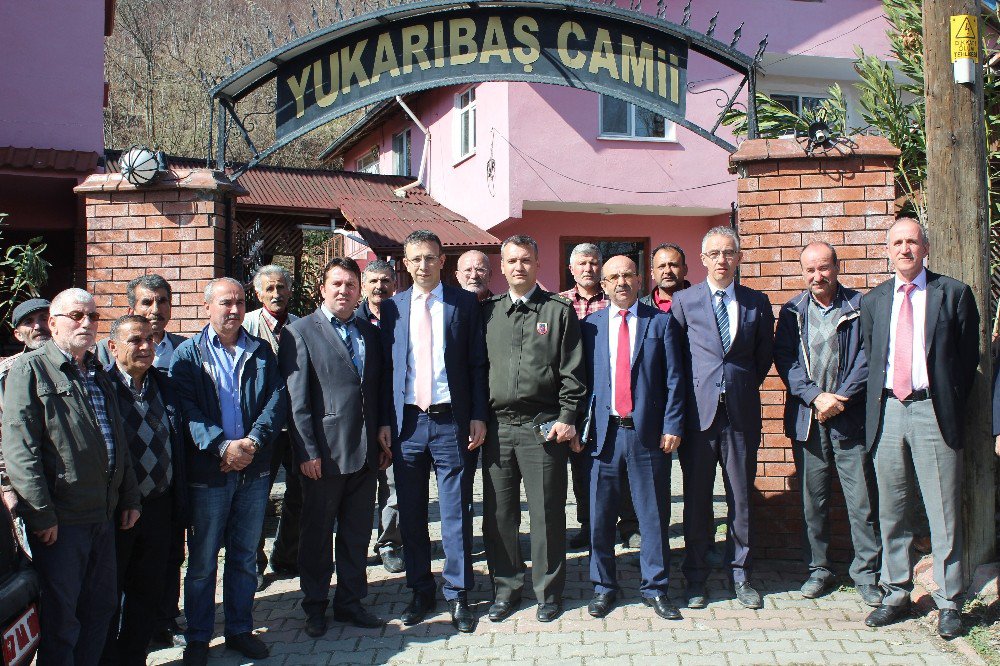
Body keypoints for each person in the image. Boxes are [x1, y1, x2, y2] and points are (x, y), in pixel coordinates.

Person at [3, 288, 140, 665]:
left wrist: (129, 497)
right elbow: (21, 449)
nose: (86, 323)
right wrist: (41, 513)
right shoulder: (29, 370)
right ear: (53, 323)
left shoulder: (96, 371)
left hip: (103, 514)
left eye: (92, 317)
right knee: (63, 618)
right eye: (76, 316)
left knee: (101, 608)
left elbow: (118, 442)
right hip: (62, 521)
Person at [860, 218, 980, 639]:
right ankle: (895, 592)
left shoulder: (954, 294)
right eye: (897, 242)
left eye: (912, 241)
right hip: (889, 411)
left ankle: (949, 601)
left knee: (943, 513)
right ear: (888, 249)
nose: (905, 249)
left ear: (925, 247)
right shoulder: (873, 301)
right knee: (892, 511)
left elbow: (966, 363)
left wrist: (945, 401)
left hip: (933, 412)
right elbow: (873, 361)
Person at [170, 278, 286, 665]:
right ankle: (199, 636)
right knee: (202, 562)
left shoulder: (261, 351)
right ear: (207, 307)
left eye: (238, 302)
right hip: (210, 474)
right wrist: (222, 446)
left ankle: (239, 628)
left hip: (253, 470)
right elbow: (187, 409)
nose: (233, 310)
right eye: (224, 302)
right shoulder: (187, 355)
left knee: (243, 556)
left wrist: (251, 443)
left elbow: (276, 399)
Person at [377, 231, 488, 633]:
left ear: (442, 260)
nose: (422, 265)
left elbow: (477, 364)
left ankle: (459, 594)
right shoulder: (391, 309)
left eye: (429, 257)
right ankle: (420, 591)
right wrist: (385, 422)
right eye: (415, 259)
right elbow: (386, 371)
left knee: (456, 512)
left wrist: (477, 414)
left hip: (450, 422)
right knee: (410, 512)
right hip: (407, 425)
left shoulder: (463, 303)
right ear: (404, 264)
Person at [278, 258, 390, 638]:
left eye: (351, 285)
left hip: (365, 453)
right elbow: (296, 401)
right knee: (317, 533)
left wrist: (382, 432)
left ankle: (350, 602)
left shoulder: (368, 332)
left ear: (360, 291)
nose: (344, 290)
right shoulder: (299, 332)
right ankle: (314, 605)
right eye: (337, 284)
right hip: (323, 456)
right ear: (322, 289)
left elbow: (376, 390)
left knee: (357, 533)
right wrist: (306, 451)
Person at [482, 235, 587, 623]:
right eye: (511, 261)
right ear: (503, 267)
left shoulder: (559, 312)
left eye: (526, 260)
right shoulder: (488, 312)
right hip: (498, 430)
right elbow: (478, 370)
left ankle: (548, 593)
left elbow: (573, 373)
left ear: (537, 263)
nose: (518, 267)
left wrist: (568, 416)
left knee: (546, 514)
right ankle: (506, 588)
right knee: (498, 515)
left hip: (542, 428)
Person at [671, 226, 774, 610]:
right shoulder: (684, 302)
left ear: (739, 257)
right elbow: (677, 362)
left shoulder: (756, 302)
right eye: (714, 254)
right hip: (699, 418)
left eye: (728, 252)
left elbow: (761, 359)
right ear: (702, 260)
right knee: (697, 500)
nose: (721, 260)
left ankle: (741, 575)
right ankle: (695, 577)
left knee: (741, 499)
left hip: (741, 416)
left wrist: (737, 384)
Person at [773, 242, 881, 606]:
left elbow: (869, 356)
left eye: (824, 268)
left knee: (861, 500)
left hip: (850, 419)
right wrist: (815, 396)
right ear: (802, 273)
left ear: (837, 266)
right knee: (813, 500)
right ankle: (819, 569)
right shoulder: (792, 311)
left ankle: (866, 574)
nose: (817, 276)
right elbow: (785, 359)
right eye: (810, 270)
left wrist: (839, 398)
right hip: (809, 418)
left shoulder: (859, 305)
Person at [579, 255, 685, 621]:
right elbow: (580, 385)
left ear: (639, 280)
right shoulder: (589, 327)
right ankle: (603, 587)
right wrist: (579, 429)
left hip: (647, 436)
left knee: (653, 515)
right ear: (603, 285)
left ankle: (655, 588)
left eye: (627, 275)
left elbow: (675, 380)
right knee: (600, 516)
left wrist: (673, 425)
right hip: (603, 437)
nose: (621, 282)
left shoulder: (661, 323)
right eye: (613, 277)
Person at [99, 274, 189, 648]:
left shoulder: (169, 376)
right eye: (134, 341)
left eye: (149, 341)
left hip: (162, 498)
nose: (145, 346)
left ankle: (152, 635)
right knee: (115, 582)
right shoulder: (101, 383)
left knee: (157, 575)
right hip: (119, 503)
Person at [559, 243, 639, 551]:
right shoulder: (560, 302)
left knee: (624, 467)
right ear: (572, 269)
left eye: (594, 263)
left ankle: (629, 524)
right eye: (582, 264)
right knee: (583, 467)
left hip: (613, 392)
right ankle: (588, 524)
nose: (588, 268)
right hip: (578, 396)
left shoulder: (617, 299)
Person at [243, 265, 302, 580]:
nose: (276, 294)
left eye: (281, 288)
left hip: (295, 427)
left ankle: (287, 556)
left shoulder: (299, 326)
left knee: (300, 492)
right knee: (256, 494)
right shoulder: (247, 326)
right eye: (269, 289)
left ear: (290, 290)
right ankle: (254, 560)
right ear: (258, 293)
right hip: (261, 427)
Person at [359, 260, 406, 574]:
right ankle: (354, 547)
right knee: (360, 491)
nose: (380, 287)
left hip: (396, 415)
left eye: (386, 281)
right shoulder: (353, 319)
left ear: (395, 284)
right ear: (364, 284)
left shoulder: (401, 316)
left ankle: (389, 544)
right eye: (373, 281)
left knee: (393, 489)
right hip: (359, 419)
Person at [0, 297, 51, 515]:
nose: (38, 326)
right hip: (29, 486)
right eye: (29, 321)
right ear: (18, 334)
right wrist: (7, 486)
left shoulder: (83, 365)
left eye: (44, 318)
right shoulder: (7, 373)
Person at [640, 243, 691, 313]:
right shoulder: (640, 307)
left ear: (685, 269)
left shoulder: (702, 302)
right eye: (661, 266)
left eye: (673, 265)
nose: (667, 271)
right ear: (652, 273)